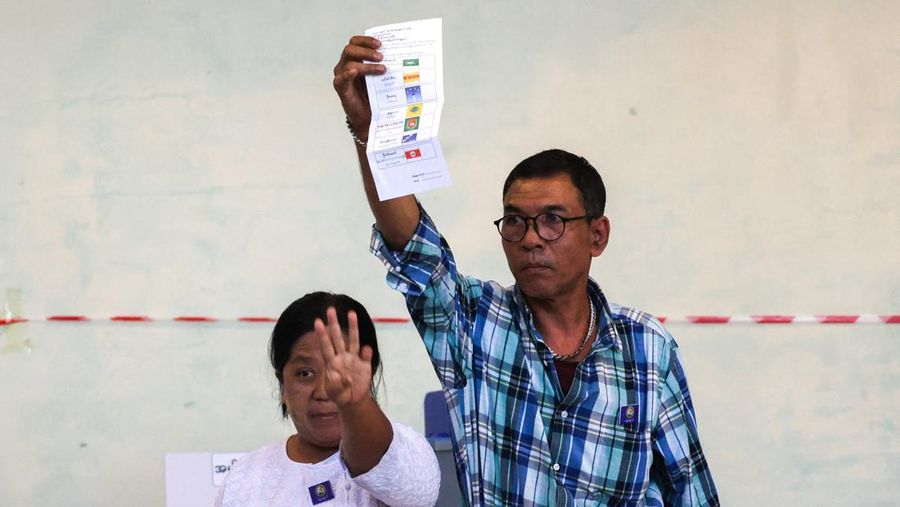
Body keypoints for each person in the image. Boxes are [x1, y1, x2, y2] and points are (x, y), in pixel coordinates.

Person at [332, 35, 719, 506]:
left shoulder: (647, 347)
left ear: (597, 235)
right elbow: (413, 248)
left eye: (553, 221)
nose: (532, 238)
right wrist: (371, 133)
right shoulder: (474, 323)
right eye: (515, 221)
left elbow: (690, 489)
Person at [215, 292, 441, 507]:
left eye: (341, 372)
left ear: (367, 374)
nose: (325, 391)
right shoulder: (244, 478)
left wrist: (355, 404)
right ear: (282, 384)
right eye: (305, 373)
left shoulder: (407, 453)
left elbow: (413, 494)